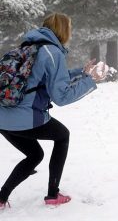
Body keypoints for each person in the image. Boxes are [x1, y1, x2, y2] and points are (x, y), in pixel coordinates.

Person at [0, 13, 104, 209]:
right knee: (62, 136)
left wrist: (81, 73)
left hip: (3, 116)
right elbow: (61, 97)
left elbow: (48, 79)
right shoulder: (53, 53)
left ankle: (1, 198)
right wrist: (90, 81)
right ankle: (52, 195)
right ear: (64, 30)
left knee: (34, 155)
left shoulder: (29, 47)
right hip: (24, 117)